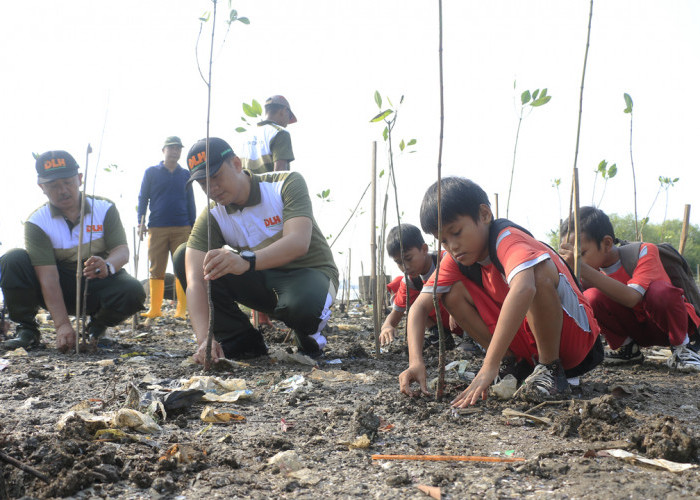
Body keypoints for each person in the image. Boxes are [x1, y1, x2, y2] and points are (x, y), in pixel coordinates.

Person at [398, 177, 601, 405]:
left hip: (575, 340)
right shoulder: (456, 259)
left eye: (456, 232)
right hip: (527, 344)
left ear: (484, 215)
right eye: (443, 240)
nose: (452, 246)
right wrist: (415, 362)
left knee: (534, 272)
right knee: (449, 293)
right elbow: (418, 308)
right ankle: (511, 363)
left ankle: (550, 370)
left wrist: (488, 364)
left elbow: (524, 287)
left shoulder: (508, 239)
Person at [174, 137, 338, 367]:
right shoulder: (213, 215)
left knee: (303, 307)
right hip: (264, 284)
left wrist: (246, 260)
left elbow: (298, 242)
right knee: (185, 256)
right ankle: (241, 342)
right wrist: (204, 338)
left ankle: (309, 339)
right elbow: (194, 281)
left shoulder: (285, 184)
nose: (212, 189)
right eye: (203, 184)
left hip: (310, 274)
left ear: (237, 164)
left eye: (216, 177)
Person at [0, 151, 145, 351]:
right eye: (53, 186)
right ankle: (27, 329)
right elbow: (48, 278)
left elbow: (122, 251)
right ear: (42, 187)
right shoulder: (37, 222)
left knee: (133, 290)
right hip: (56, 286)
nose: (63, 190)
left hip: (95, 283)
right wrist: (62, 325)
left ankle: (96, 328)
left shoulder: (104, 208)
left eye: (68, 182)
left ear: (79, 179)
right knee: (13, 259)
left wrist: (108, 265)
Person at [559, 206, 700, 372]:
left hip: (666, 327)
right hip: (636, 329)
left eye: (581, 253)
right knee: (590, 297)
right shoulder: (590, 270)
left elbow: (632, 297)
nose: (576, 262)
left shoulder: (643, 252)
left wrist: (581, 268)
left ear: (607, 243)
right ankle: (627, 349)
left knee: (660, 291)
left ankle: (682, 348)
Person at [137, 136, 196, 319]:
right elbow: (143, 198)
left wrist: (193, 225)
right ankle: (155, 309)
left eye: (178, 148)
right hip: (156, 226)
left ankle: (181, 311)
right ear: (164, 150)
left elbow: (190, 201)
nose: (175, 151)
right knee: (156, 267)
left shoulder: (186, 174)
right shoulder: (151, 172)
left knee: (182, 267)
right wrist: (141, 222)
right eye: (171, 148)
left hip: (182, 226)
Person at [379, 223, 460, 349]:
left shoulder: (446, 259)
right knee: (412, 304)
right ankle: (440, 335)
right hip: (446, 324)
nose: (405, 267)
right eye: (399, 262)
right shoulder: (410, 281)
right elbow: (395, 315)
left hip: (467, 317)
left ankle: (470, 338)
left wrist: (455, 310)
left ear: (424, 249)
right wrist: (387, 326)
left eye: (408, 258)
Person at [240, 95, 296, 174]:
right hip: (267, 186)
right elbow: (280, 174)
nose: (287, 123)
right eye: (289, 117)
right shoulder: (280, 133)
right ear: (284, 111)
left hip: (245, 186)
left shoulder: (246, 135)